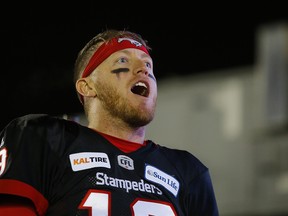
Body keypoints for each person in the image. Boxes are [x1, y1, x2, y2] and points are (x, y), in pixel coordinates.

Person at [0, 29, 219, 215]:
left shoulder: (188, 172)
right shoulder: (44, 139)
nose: (144, 70)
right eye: (122, 60)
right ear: (87, 87)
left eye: (148, 65)